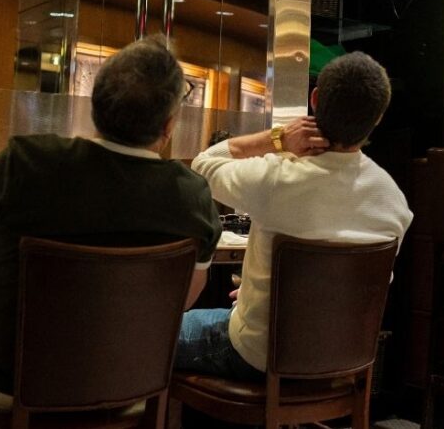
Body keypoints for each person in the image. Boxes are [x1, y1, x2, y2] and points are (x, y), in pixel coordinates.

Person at [0, 36, 222, 428]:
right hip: (126, 391)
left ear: (94, 106)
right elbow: (182, 299)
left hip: (1, 383)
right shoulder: (193, 195)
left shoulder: (26, 161)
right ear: (170, 124)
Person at [174, 51, 413, 380]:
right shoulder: (394, 202)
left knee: (154, 329)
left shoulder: (278, 178)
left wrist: (277, 139)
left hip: (262, 357)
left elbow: (203, 164)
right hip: (345, 360)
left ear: (314, 100)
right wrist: (264, 295)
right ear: (378, 117)